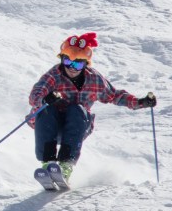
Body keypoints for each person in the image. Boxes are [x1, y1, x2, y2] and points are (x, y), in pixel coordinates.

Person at [28, 32, 156, 184]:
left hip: (77, 126)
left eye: (78, 64)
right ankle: (48, 164)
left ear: (85, 64)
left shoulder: (94, 79)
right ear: (62, 60)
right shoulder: (53, 75)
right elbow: (36, 94)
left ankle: (65, 166)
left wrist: (141, 102)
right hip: (50, 125)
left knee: (77, 110)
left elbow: (115, 96)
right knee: (46, 109)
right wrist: (44, 99)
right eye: (68, 62)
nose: (72, 68)